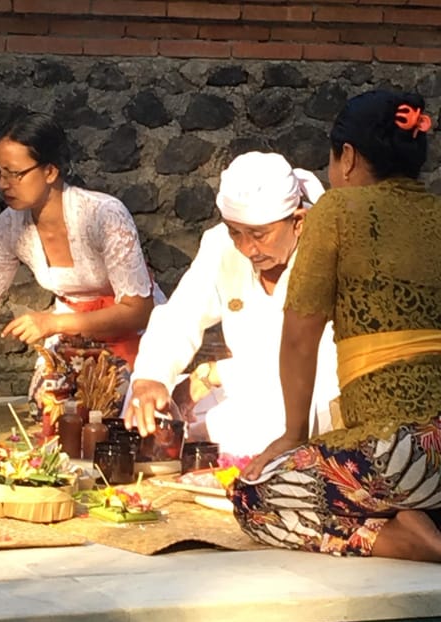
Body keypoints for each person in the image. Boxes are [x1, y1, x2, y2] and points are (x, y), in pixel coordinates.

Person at [233, 89, 441, 562]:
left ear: (347, 157)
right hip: (429, 458)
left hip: (399, 450)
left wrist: (291, 435)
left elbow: (300, 337)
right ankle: (415, 515)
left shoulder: (336, 212)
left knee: (254, 498)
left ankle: (400, 540)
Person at [124, 152, 339, 457]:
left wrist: (215, 374)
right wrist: (151, 378)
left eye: (259, 235)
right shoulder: (221, 246)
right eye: (235, 232)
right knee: (142, 403)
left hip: (305, 392)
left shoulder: (328, 252)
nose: (247, 248)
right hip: (242, 389)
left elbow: (320, 362)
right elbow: (180, 317)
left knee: (259, 423)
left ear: (298, 223)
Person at [0, 110, 156, 378]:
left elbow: (139, 311)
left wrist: (54, 323)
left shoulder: (103, 214)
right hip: (70, 335)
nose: (3, 184)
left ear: (50, 171)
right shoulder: (9, 226)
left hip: (131, 333)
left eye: (14, 174)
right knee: (53, 403)